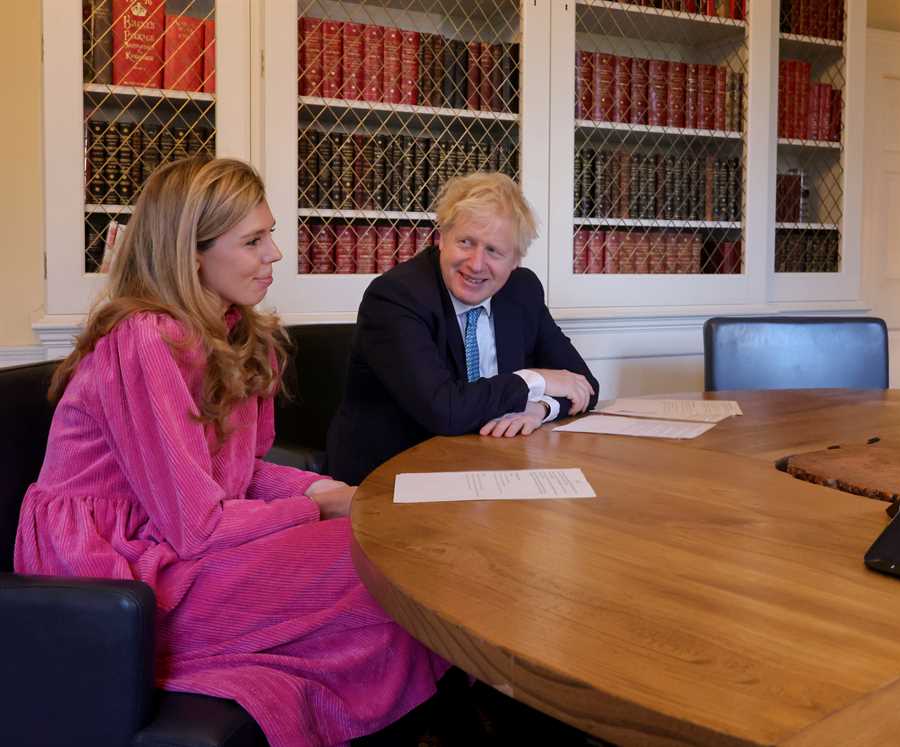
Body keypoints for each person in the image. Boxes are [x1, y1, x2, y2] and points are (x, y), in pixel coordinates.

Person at [13, 157, 453, 746]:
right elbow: (197, 524)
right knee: (376, 562)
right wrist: (319, 509)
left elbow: (236, 475)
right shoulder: (146, 339)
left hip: (169, 536)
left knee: (394, 545)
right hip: (115, 572)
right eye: (253, 240)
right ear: (190, 254)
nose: (275, 253)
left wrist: (332, 491)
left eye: (269, 235)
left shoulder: (231, 332)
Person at [327, 172, 599, 485]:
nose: (476, 264)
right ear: (441, 237)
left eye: (494, 251)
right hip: (391, 479)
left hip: (491, 470)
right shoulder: (395, 297)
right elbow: (445, 410)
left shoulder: (522, 291)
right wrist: (534, 380)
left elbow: (585, 385)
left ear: (516, 260)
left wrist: (541, 407)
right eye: (466, 242)